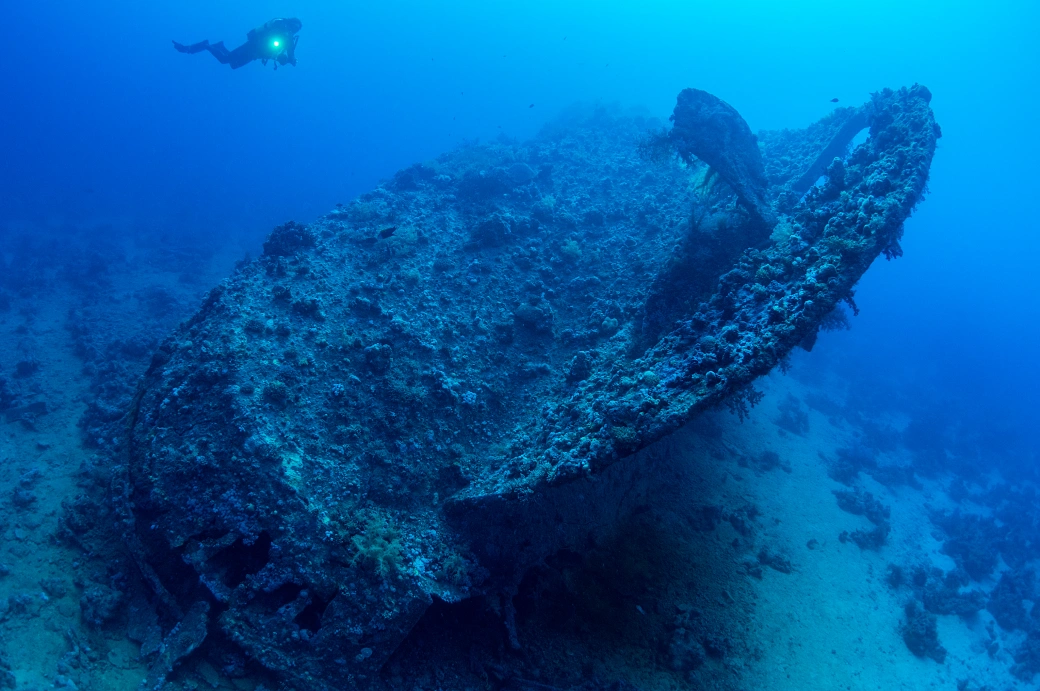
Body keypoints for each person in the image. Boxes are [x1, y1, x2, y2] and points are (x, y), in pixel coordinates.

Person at [173, 18, 302, 69]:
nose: (292, 30)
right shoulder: (279, 26)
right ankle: (202, 46)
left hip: (255, 54)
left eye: (295, 29)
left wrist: (290, 60)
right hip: (253, 47)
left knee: (233, 65)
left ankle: (219, 46)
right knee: (225, 59)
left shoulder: (290, 39)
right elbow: (269, 37)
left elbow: (290, 53)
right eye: (293, 27)